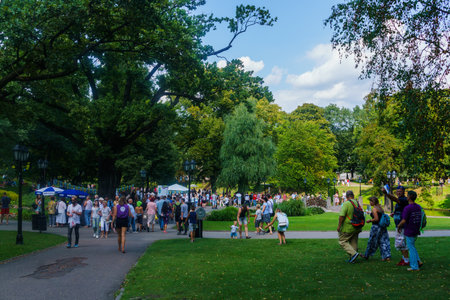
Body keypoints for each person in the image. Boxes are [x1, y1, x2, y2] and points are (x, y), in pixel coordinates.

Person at [382, 186, 410, 266]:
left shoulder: (403, 199)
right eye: (397, 191)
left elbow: (395, 199)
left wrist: (386, 194)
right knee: (401, 243)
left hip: (401, 225)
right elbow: (402, 210)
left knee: (401, 243)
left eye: (400, 191)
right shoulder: (401, 201)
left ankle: (406, 260)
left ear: (404, 192)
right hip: (399, 224)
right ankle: (405, 258)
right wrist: (395, 214)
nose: (398, 193)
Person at [397, 191, 424, 271]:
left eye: (407, 195)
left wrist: (399, 226)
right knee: (412, 246)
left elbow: (404, 220)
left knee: (411, 248)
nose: (406, 197)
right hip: (416, 229)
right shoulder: (418, 207)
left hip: (409, 230)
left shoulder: (407, 208)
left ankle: (414, 266)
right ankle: (418, 261)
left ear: (409, 197)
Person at [362, 197, 391, 261]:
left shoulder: (374, 209)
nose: (369, 203)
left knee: (372, 241)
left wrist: (370, 220)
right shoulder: (380, 208)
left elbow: (376, 219)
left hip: (376, 227)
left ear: (373, 202)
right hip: (382, 226)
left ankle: (367, 255)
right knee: (383, 241)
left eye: (370, 201)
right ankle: (386, 256)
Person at [337, 190, 362, 263]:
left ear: (346, 197)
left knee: (342, 241)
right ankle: (353, 259)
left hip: (348, 227)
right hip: (357, 226)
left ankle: (354, 254)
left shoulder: (346, 203)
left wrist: (339, 226)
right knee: (353, 242)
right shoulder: (357, 203)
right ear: (353, 196)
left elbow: (341, 216)